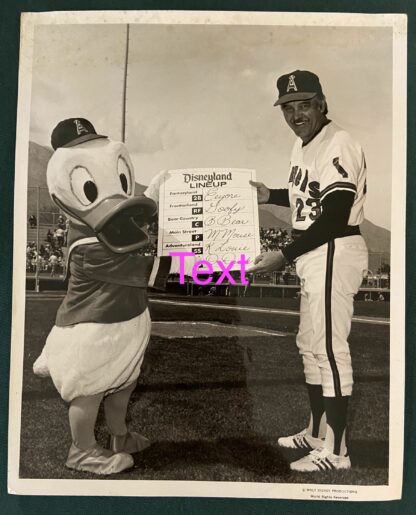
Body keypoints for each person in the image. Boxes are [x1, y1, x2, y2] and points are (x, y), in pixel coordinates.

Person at [250, 70, 368, 472]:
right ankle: (317, 433)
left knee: (331, 351)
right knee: (310, 347)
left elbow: (335, 214)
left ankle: (337, 453)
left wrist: (283, 255)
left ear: (321, 103)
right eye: (288, 106)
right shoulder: (304, 144)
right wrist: (272, 196)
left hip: (333, 247)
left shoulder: (338, 143)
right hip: (316, 251)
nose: (296, 113)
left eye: (304, 104)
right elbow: (309, 196)